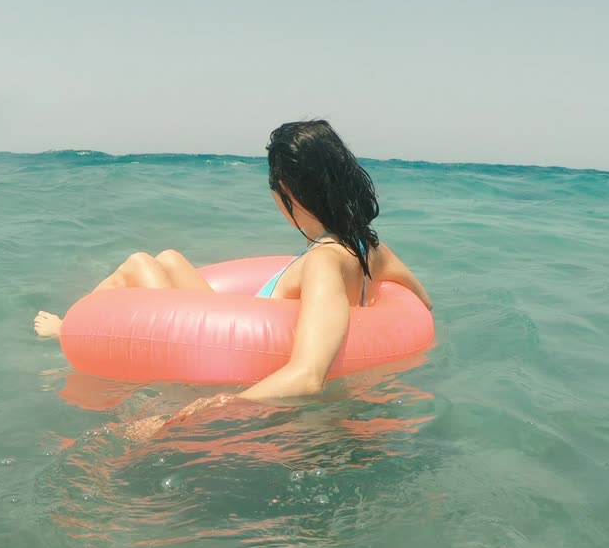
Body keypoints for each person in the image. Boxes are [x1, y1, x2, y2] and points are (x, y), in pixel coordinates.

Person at [33, 120, 432, 404]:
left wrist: (197, 413)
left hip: (223, 354)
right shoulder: (369, 248)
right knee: (168, 259)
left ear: (288, 191)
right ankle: (76, 329)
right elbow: (422, 301)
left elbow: (308, 376)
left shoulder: (324, 262)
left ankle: (73, 331)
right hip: (237, 325)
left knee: (139, 264)